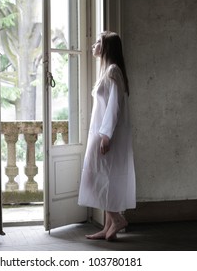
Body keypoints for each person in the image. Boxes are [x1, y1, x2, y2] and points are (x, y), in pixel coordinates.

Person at [78, 31, 136, 241]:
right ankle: (107, 227)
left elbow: (114, 106)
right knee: (104, 177)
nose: (93, 45)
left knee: (94, 176)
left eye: (97, 43)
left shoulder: (113, 71)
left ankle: (117, 219)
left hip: (106, 133)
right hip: (102, 131)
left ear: (106, 48)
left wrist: (106, 135)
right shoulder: (108, 71)